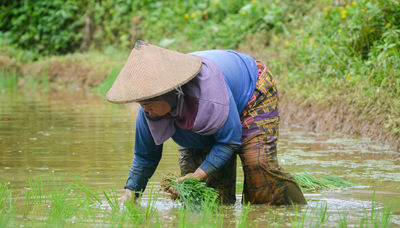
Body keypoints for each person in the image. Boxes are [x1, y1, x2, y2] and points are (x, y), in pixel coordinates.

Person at [107, 40, 306, 205]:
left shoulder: (208, 98)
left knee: (259, 168)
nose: (144, 109)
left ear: (170, 93)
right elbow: (145, 157)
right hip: (207, 120)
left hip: (251, 92)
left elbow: (229, 141)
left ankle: (294, 214)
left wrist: (200, 173)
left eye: (149, 104)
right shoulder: (149, 112)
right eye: (141, 103)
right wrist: (130, 193)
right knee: (202, 199)